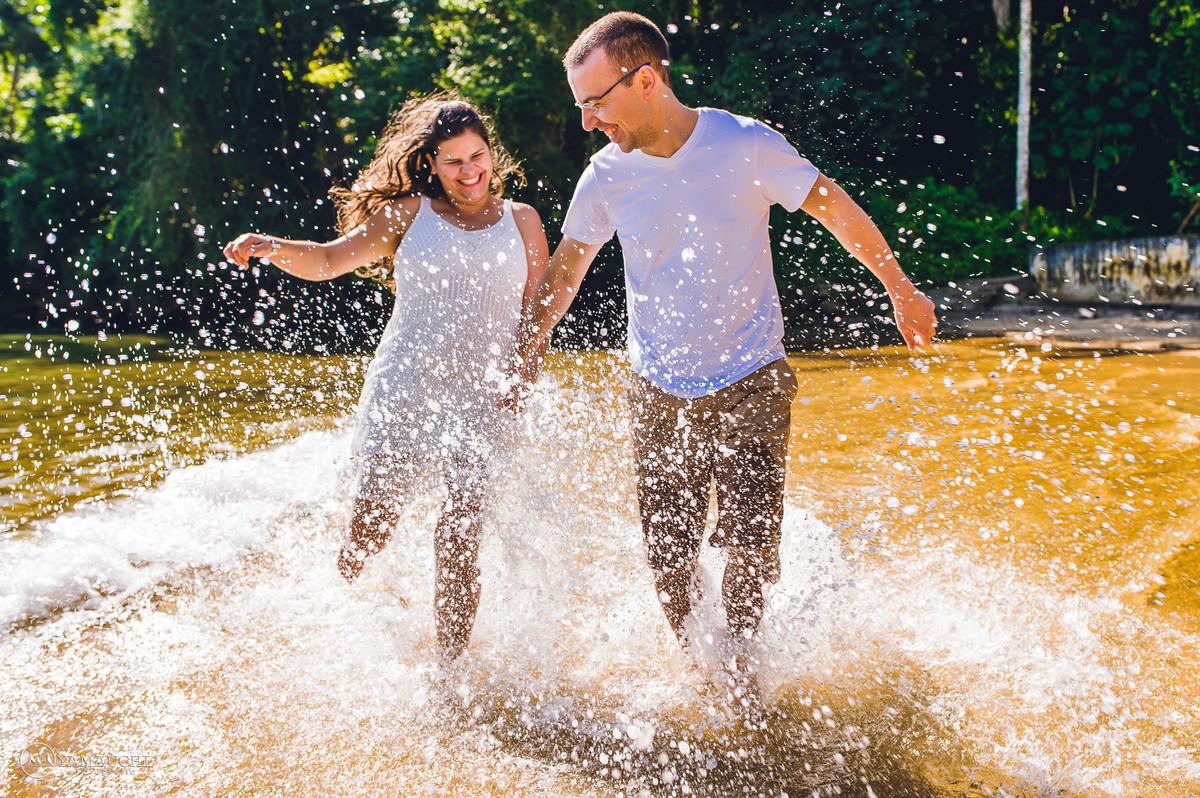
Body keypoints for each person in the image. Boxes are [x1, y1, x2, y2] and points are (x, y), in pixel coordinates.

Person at [506, 12, 937, 694]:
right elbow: (568, 267)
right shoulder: (605, 175)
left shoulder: (744, 145)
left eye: (595, 102)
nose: (587, 121)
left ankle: (742, 681)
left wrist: (900, 287)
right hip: (655, 390)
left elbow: (830, 205)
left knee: (750, 546)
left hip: (752, 377)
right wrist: (529, 342)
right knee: (668, 560)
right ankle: (700, 677)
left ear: (645, 80)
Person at [223, 94, 549, 664]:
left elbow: (534, 318)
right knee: (373, 523)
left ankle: (450, 669)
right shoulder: (408, 215)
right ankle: (334, 618)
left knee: (461, 532)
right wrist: (272, 247)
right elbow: (327, 261)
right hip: (406, 390)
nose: (470, 171)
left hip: (484, 400)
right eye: (454, 161)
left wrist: (522, 382)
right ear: (430, 164)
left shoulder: (523, 221)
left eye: (478, 156)